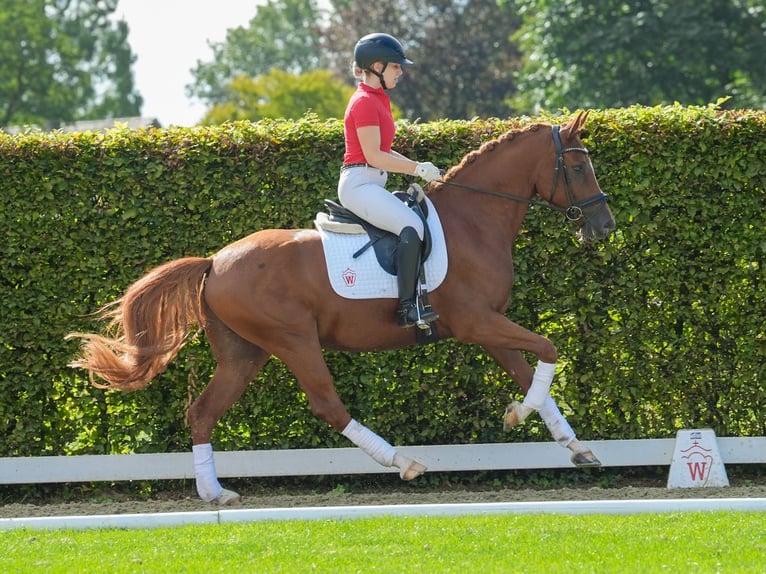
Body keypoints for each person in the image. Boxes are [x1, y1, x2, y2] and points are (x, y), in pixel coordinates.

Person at [338, 32, 442, 328]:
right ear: (377, 66)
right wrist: (415, 169)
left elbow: (384, 150)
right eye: (396, 66)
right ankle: (408, 308)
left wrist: (420, 167)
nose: (401, 71)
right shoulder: (364, 103)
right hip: (359, 184)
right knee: (412, 225)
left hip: (371, 183)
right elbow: (373, 156)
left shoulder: (378, 100)